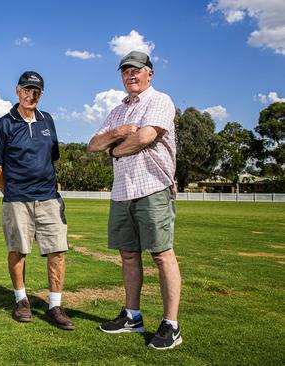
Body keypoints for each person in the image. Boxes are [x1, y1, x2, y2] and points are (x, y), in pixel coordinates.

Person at [87, 51, 182, 350]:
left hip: (153, 187)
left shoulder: (160, 101)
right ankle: (132, 316)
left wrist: (114, 150)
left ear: (149, 73)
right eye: (125, 71)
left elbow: (145, 137)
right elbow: (93, 144)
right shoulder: (117, 111)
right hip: (122, 191)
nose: (131, 75)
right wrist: (118, 132)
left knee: (162, 254)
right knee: (128, 255)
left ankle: (171, 324)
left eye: (137, 70)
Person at [0, 71, 74, 330]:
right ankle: (21, 300)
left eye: (36, 91)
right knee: (18, 250)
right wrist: (11, 192)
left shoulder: (47, 120)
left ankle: (55, 306)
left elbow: (52, 157)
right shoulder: (4, 123)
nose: (30, 95)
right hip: (17, 200)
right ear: (17, 90)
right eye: (26, 89)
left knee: (57, 251)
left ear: (41, 95)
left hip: (48, 198)